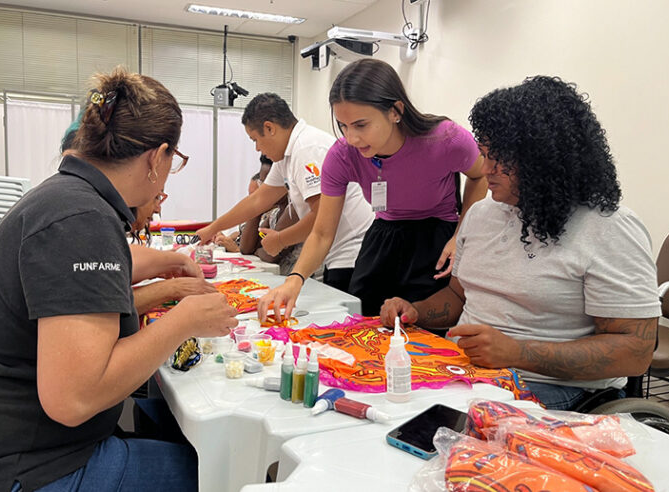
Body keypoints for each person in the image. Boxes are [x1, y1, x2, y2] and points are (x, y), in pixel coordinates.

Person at [0, 67, 238, 492]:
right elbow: (74, 400)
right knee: (221, 470)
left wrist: (167, 268)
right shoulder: (80, 219)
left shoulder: (68, 200)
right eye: (175, 161)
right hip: (24, 468)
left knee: (164, 418)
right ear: (156, 157)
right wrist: (184, 319)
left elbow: (95, 275)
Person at [380, 76, 661, 410]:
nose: (485, 170)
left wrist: (517, 352)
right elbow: (459, 296)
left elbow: (635, 352)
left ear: (544, 159)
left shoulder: (608, 228)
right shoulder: (482, 214)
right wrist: (416, 311)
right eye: (484, 154)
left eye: (499, 159)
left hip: (556, 389)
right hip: (468, 371)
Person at [259, 59, 487, 319]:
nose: (352, 138)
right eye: (343, 126)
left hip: (436, 235)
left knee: (420, 324)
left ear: (395, 110)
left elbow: (480, 176)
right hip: (384, 234)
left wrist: (461, 234)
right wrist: (294, 280)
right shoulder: (343, 155)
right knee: (364, 317)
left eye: (361, 125)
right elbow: (322, 233)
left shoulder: (445, 139)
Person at [196, 93, 374, 292]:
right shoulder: (286, 157)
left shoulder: (307, 148)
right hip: (336, 254)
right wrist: (213, 228)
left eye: (255, 139)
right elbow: (258, 200)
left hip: (352, 254)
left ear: (269, 128)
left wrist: (281, 240)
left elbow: (320, 215)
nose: (257, 148)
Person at [62, 128, 216, 316]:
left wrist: (177, 262)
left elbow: (121, 259)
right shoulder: (89, 213)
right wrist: (173, 290)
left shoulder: (77, 199)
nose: (157, 207)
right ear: (154, 159)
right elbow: (101, 307)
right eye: (157, 195)